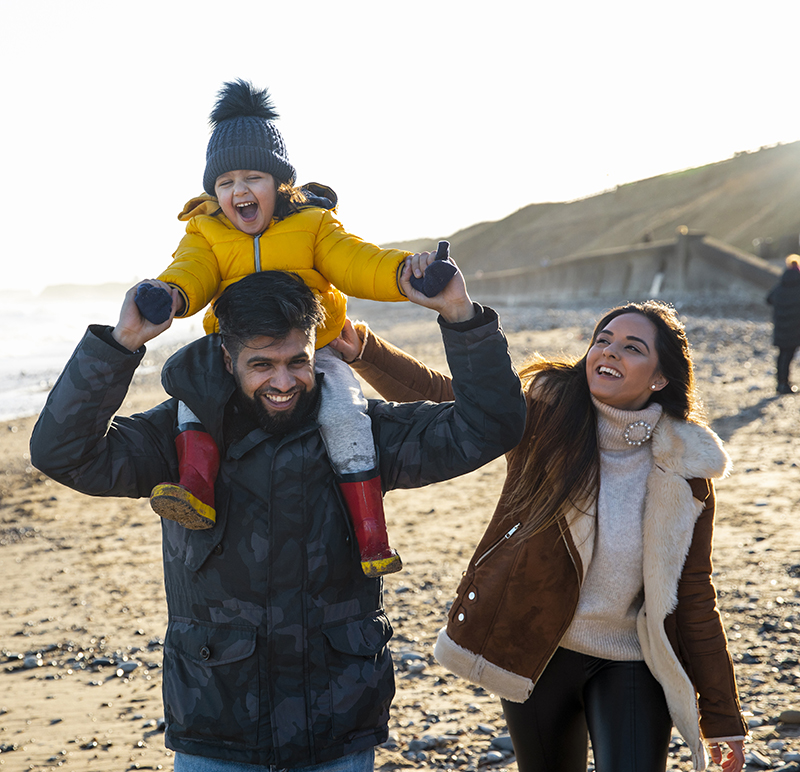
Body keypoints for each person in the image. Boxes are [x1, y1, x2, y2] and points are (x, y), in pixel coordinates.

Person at [29, 262, 526, 771]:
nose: (284, 382)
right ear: (227, 357)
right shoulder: (173, 439)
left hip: (338, 722)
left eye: (298, 361)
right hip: (217, 722)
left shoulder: (362, 432)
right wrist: (122, 343)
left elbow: (489, 427)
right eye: (262, 365)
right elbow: (62, 453)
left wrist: (461, 316)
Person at [332, 301, 747, 772]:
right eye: (603, 340)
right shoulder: (544, 417)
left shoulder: (686, 470)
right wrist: (366, 351)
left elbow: (693, 593)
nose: (608, 352)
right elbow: (456, 401)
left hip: (633, 660)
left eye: (632, 348)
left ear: (660, 378)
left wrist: (722, 716)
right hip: (535, 647)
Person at [135, 78, 454, 578]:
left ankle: (372, 534)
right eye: (224, 183)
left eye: (252, 177)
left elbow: (357, 261)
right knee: (193, 397)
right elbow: (190, 271)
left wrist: (403, 272)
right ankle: (195, 490)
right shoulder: (206, 231)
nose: (238, 191)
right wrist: (170, 295)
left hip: (312, 347)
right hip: (235, 351)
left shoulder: (312, 224)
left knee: (347, 414)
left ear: (279, 182)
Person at [766, 254, 800, 394]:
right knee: (789, 355)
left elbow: (769, 299)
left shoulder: (780, 284)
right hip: (796, 327)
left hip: (781, 326)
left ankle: (781, 383)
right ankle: (784, 384)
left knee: (783, 355)